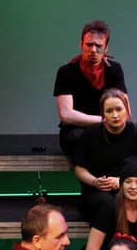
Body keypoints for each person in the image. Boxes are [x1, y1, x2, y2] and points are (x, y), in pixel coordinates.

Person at [72, 89, 137, 224]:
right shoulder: (90, 134)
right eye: (109, 111)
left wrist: (123, 181)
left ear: (127, 110)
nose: (115, 115)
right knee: (107, 204)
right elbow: (79, 169)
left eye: (119, 109)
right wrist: (95, 182)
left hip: (129, 190)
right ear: (103, 114)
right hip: (96, 192)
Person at [54, 20, 128, 158]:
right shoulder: (66, 72)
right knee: (79, 139)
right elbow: (66, 115)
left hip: (108, 128)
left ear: (106, 48)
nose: (93, 50)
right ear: (81, 44)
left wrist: (111, 121)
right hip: (76, 130)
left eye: (98, 46)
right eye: (89, 44)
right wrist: (103, 120)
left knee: (133, 134)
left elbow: (124, 109)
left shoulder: (114, 69)